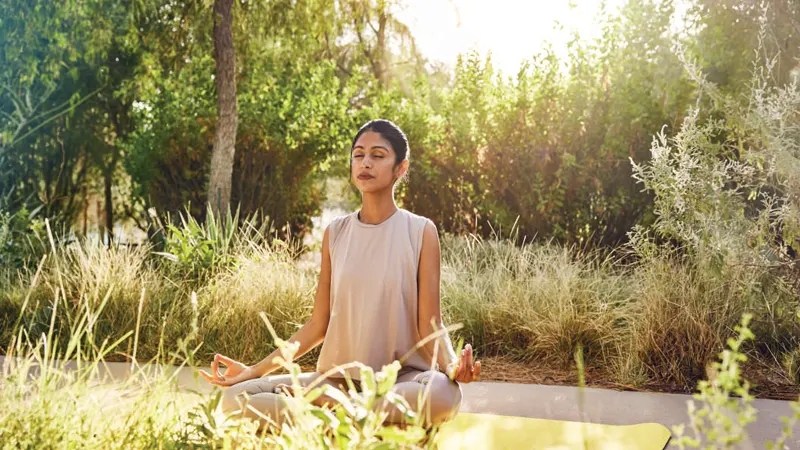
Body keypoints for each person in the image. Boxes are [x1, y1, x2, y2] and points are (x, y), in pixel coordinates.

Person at [200, 119, 481, 431]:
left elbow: (431, 323)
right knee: (235, 397)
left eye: (378, 155)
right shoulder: (335, 233)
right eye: (358, 155)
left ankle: (336, 411)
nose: (365, 163)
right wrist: (255, 371)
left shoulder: (420, 231)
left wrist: (451, 364)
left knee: (443, 394)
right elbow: (317, 325)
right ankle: (355, 413)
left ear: (400, 168)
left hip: (402, 381)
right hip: (337, 381)